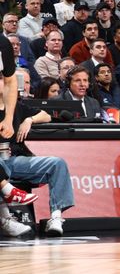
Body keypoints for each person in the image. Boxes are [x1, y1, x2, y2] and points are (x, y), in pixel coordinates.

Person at [0, 96, 75, 236]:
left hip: (13, 159)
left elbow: (46, 115)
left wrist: (29, 120)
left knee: (57, 163)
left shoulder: (15, 106)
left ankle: (56, 217)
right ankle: (5, 220)